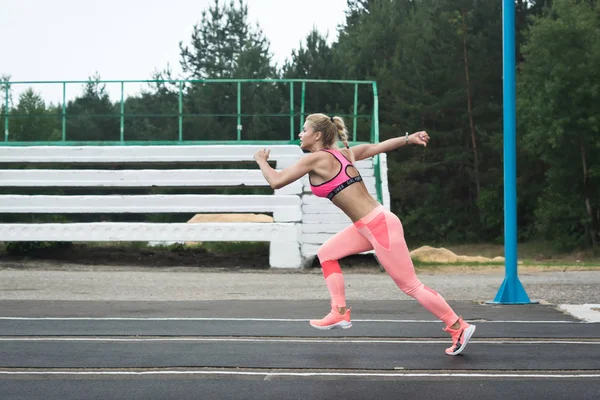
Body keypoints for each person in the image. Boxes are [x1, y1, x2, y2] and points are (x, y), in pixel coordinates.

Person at [254, 113, 476, 356]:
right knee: (327, 253)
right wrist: (408, 139)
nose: (300, 134)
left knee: (411, 285)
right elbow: (376, 147)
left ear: (317, 135)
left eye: (303, 130)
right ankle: (339, 311)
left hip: (378, 225)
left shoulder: (317, 158)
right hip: (368, 225)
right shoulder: (342, 154)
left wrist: (261, 161)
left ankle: (458, 326)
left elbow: (276, 181)